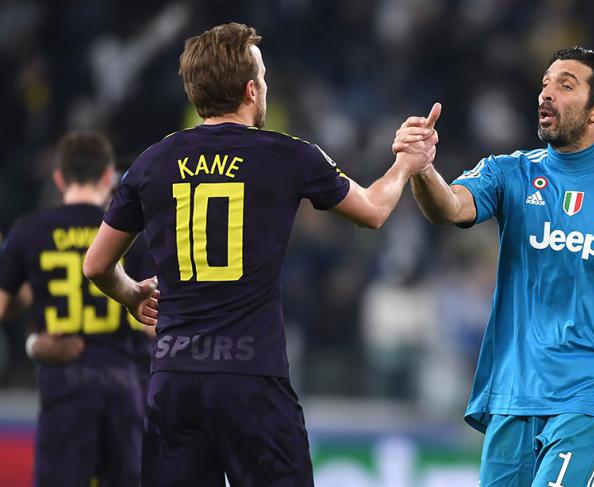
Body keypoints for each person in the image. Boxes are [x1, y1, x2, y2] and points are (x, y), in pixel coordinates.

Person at [82, 23, 439, 487]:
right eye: (264, 78)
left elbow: (96, 265)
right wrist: (405, 164)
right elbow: (372, 211)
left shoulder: (152, 161)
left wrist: (131, 294)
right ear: (251, 90)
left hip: (174, 380)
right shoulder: (288, 155)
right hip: (252, 378)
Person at [393, 46, 594, 486]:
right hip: (513, 392)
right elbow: (448, 207)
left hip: (591, 393)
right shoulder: (508, 173)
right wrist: (423, 169)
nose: (547, 94)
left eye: (565, 86)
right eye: (545, 84)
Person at [0, 132, 150, 486]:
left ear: (58, 178)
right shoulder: (129, 233)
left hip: (65, 381)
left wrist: (33, 343)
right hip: (124, 382)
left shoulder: (30, 232)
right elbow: (153, 317)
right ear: (108, 176)